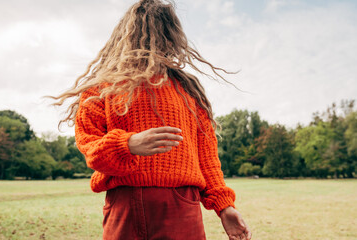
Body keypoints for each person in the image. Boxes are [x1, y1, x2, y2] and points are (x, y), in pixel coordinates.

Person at [51, 0, 252, 239]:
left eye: (164, 33)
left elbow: (207, 159)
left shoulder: (188, 90)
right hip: (125, 203)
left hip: (181, 203)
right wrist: (127, 145)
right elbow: (90, 148)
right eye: (154, 33)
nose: (158, 42)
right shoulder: (102, 87)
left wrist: (224, 206)